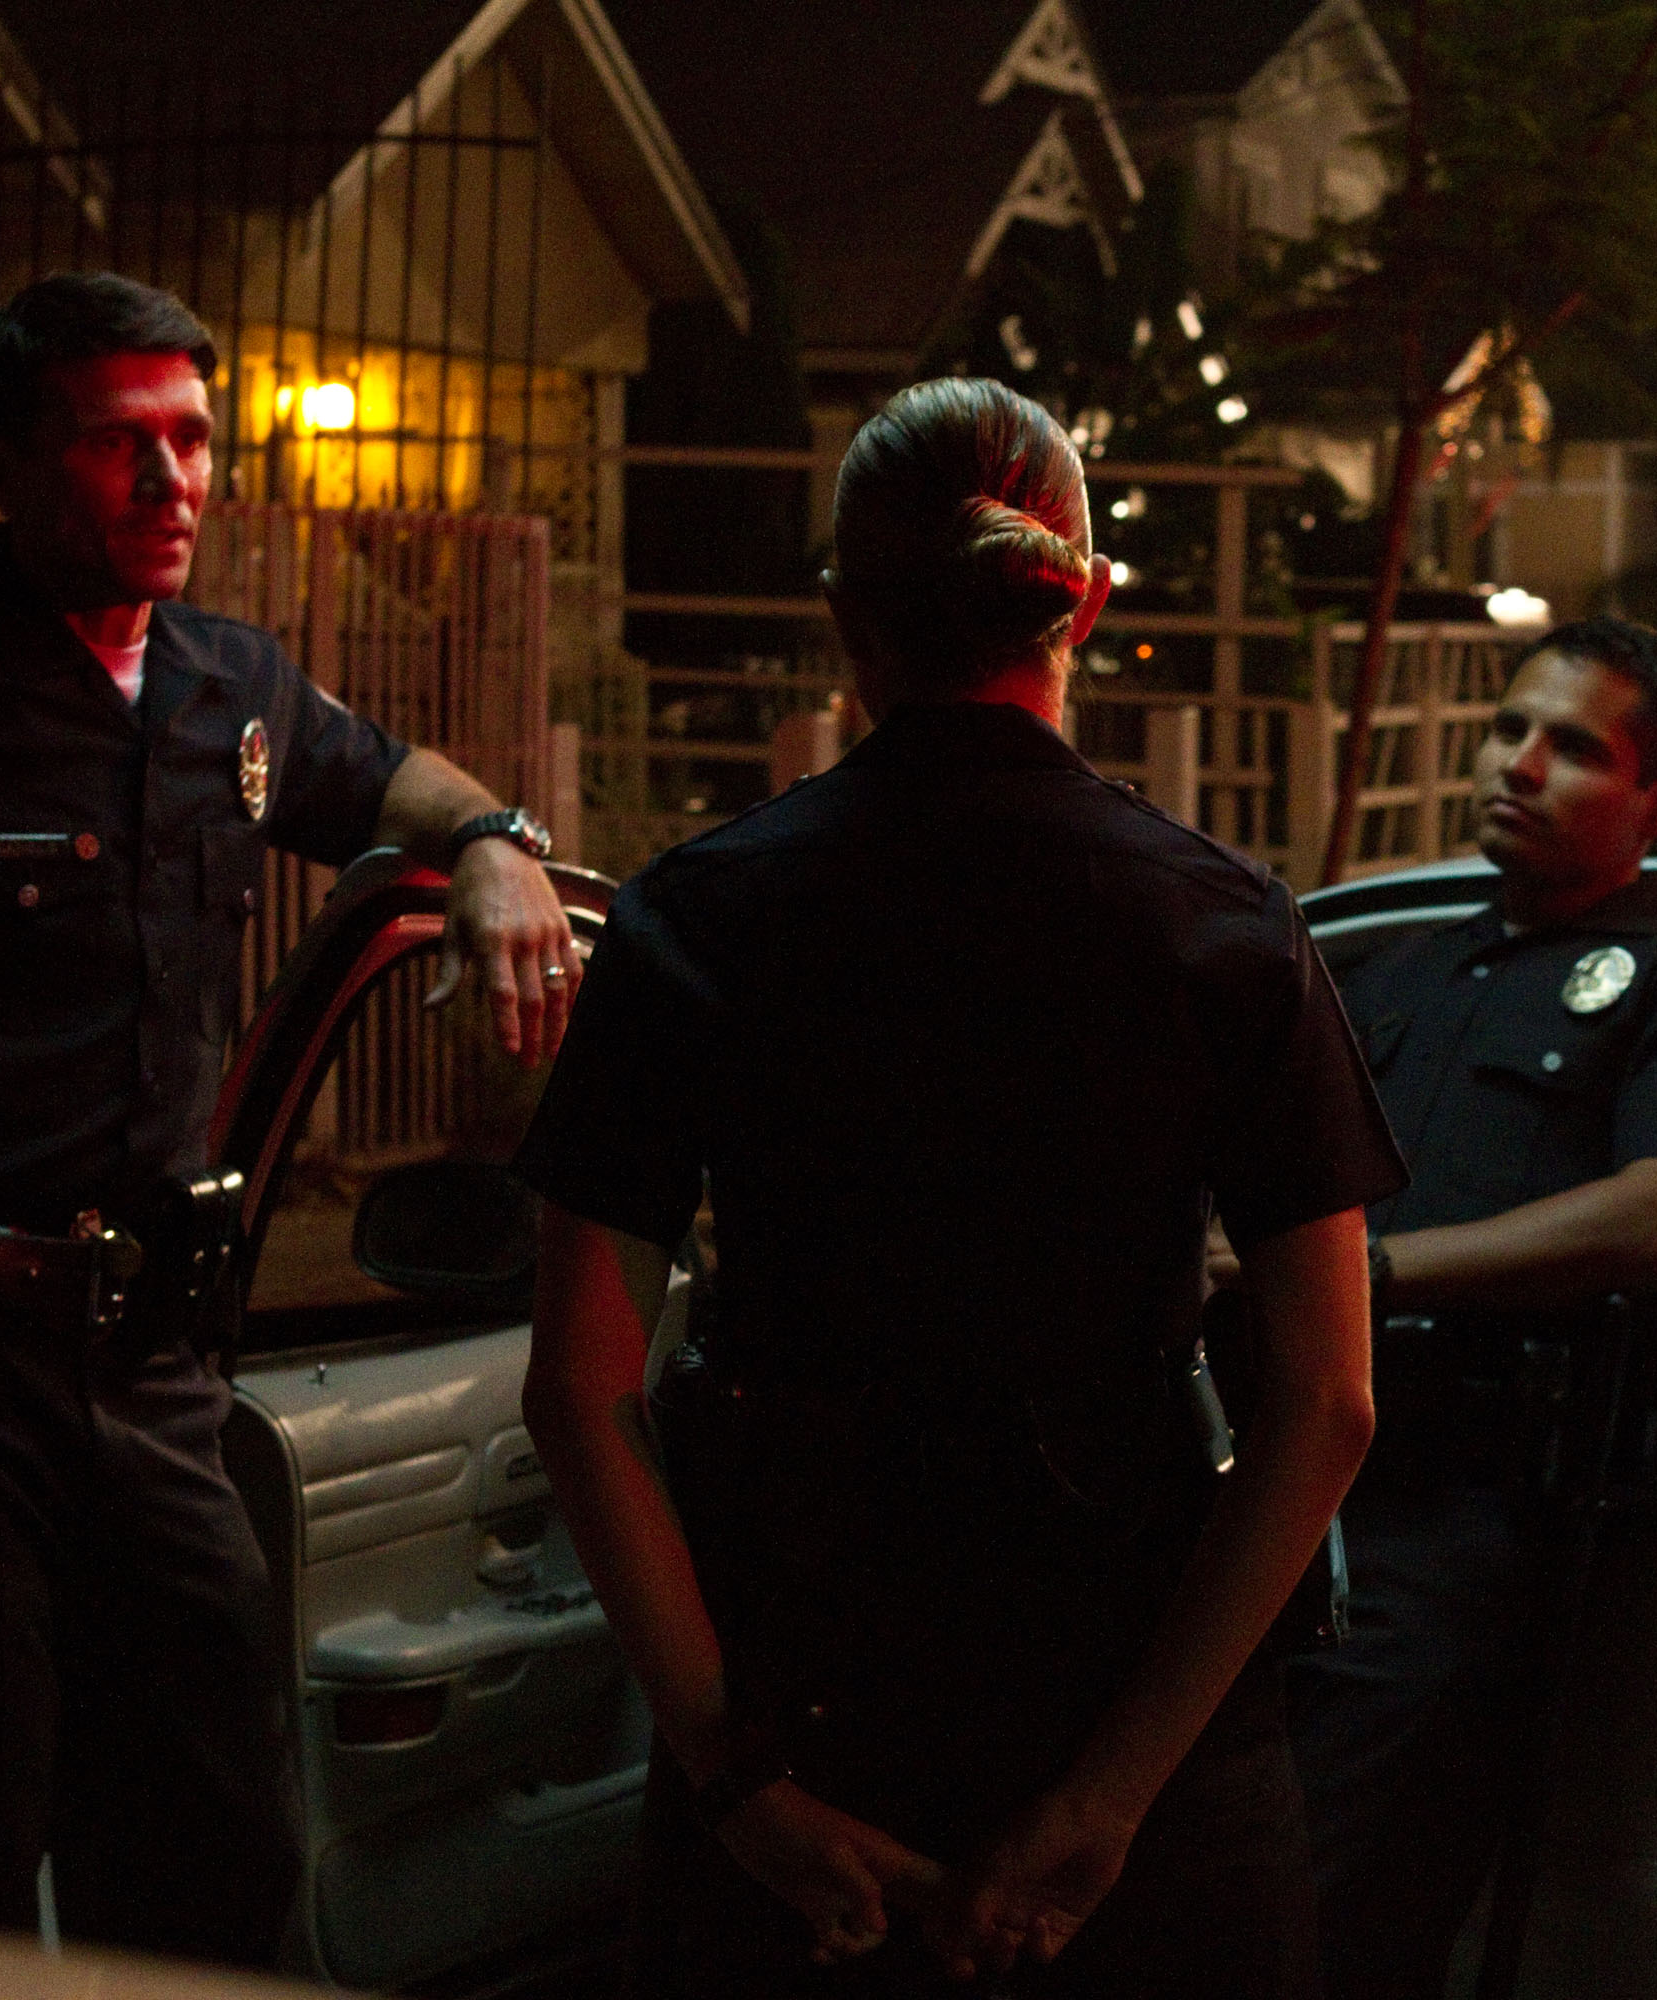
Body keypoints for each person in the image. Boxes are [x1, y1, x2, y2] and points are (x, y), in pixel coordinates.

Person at [512, 376, 1404, 1997]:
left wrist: (736, 1780)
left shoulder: (698, 919)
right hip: (1142, 1722)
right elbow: (1327, 1401)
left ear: (844, 614)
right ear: (1087, 599)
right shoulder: (1221, 924)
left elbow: (581, 1389)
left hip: (810, 1699)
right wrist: (1107, 1802)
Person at [0, 272, 577, 1964]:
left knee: (223, 1862)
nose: (175, 484)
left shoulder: (234, 689)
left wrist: (497, 840)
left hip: (153, 1375)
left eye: (196, 439)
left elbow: (388, 785)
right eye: (117, 443)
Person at [1278, 618, 1657, 2000]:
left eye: (1575, 747)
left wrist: (1371, 1275)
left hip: (1465, 1520)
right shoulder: (1393, 972)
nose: (1520, 763)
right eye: (1510, 728)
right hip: (1293, 1496)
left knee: (1332, 1931)